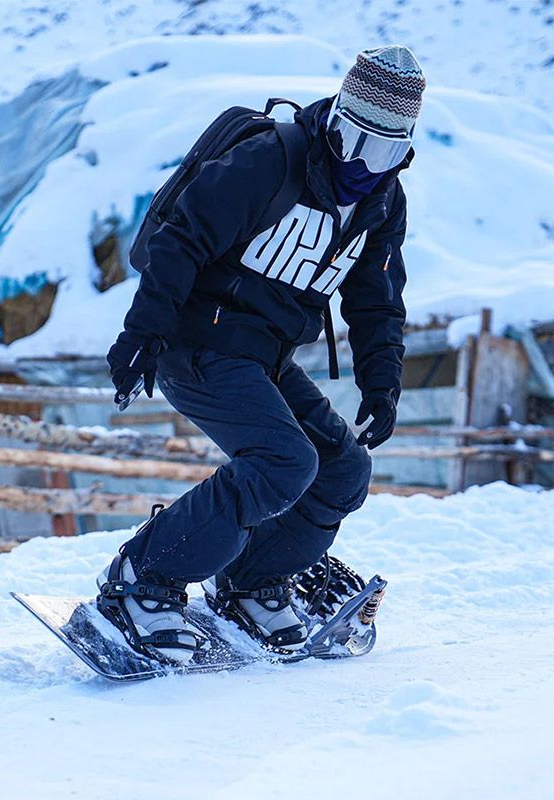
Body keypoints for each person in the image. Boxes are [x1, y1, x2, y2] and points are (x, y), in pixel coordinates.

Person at [98, 45, 424, 664]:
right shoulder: (270, 160)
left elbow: (377, 298)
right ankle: (142, 579)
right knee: (281, 461)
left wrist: (382, 385)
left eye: (384, 152)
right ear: (336, 121)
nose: (362, 163)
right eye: (355, 141)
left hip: (265, 356)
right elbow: (181, 239)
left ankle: (252, 582)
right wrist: (142, 333)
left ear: (404, 148)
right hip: (196, 343)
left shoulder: (383, 201)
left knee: (342, 470)